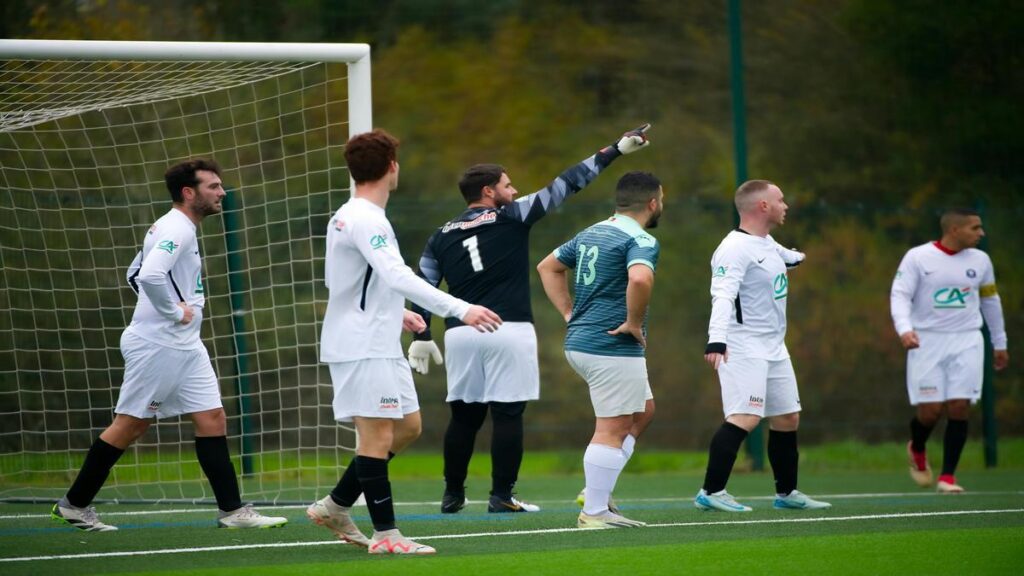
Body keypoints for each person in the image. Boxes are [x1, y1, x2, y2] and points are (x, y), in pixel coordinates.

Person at [407, 125, 652, 514]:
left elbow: (423, 283)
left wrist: (421, 332)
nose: (514, 190)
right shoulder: (511, 216)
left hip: (461, 332)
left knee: (464, 416)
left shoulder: (441, 234)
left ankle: (452, 494)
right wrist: (615, 151)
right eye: (507, 185)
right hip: (508, 328)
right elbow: (567, 183)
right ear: (488, 192)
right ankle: (502, 496)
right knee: (508, 413)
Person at [51, 159, 288, 531]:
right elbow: (148, 274)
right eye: (213, 186)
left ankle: (233, 511)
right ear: (188, 193)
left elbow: (134, 273)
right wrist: (173, 313)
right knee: (131, 424)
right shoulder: (176, 228)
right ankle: (74, 504)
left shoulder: (180, 228)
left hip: (186, 346)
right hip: (158, 344)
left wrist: (174, 313)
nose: (221, 192)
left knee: (212, 418)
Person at [306, 129, 502, 555]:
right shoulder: (364, 218)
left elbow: (349, 281)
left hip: (377, 339)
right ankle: (387, 536)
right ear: (392, 167)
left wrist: (397, 312)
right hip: (361, 345)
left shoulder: (356, 215)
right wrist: (460, 308)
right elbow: (396, 275)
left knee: (408, 427)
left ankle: (335, 506)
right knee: (376, 438)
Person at [536, 171, 664, 529]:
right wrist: (634, 323)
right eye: (662, 200)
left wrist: (568, 313)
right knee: (613, 426)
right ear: (652, 203)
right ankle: (594, 510)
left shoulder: (593, 230)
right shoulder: (640, 239)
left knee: (643, 412)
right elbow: (640, 278)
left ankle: (598, 490)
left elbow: (548, 266)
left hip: (583, 342)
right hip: (610, 343)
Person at [695, 180, 830, 513]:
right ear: (763, 207)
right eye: (780, 200)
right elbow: (723, 295)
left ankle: (787, 494)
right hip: (742, 346)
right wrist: (717, 340)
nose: (786, 205)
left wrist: (801, 257)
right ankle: (711, 491)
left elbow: (788, 258)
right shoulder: (733, 248)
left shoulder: (766, 242)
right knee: (745, 417)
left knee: (787, 417)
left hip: (774, 347)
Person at [891, 208, 1009, 493]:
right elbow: (900, 295)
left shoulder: (981, 261)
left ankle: (947, 477)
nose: (981, 233)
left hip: (967, 339)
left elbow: (991, 301)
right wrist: (905, 329)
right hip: (927, 340)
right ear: (954, 230)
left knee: (959, 406)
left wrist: (1000, 341)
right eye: (975, 228)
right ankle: (917, 447)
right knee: (930, 412)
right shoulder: (918, 257)